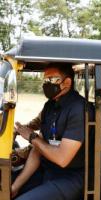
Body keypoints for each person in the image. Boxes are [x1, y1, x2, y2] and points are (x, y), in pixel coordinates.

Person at [12, 62, 94, 200]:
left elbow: (62, 159)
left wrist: (32, 137)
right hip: (47, 170)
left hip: (70, 178)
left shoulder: (79, 109)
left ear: (67, 82)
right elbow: (38, 149)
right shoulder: (50, 106)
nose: (46, 84)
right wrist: (15, 186)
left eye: (51, 79)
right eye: (45, 80)